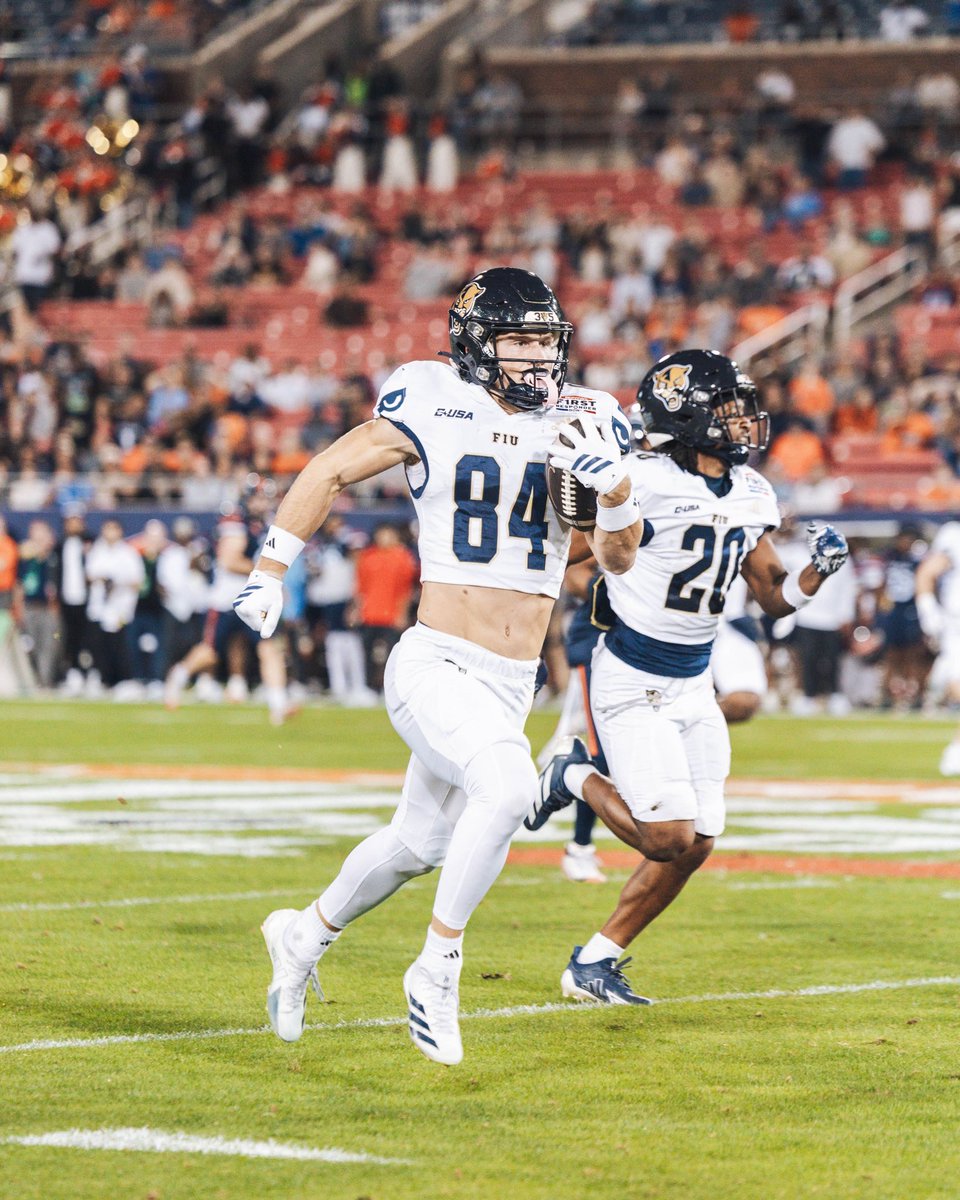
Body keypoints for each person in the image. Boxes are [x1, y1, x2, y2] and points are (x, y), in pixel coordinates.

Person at [232, 267, 636, 1064]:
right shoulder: (430, 396)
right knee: (512, 785)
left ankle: (302, 935)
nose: (537, 361)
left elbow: (619, 557)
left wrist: (614, 490)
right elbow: (331, 468)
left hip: (510, 679)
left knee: (420, 843)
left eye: (545, 343)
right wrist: (272, 567)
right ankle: (437, 966)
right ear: (477, 345)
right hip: (436, 661)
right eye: (519, 342)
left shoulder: (588, 415)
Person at [528, 350, 849, 1004]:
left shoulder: (753, 490)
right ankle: (571, 774)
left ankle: (595, 960)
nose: (741, 423)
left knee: (700, 839)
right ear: (688, 418)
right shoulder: (641, 478)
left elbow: (772, 595)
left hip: (693, 681)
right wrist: (594, 507)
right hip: (633, 674)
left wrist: (815, 573)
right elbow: (575, 555)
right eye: (726, 411)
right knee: (667, 836)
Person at [915, 522, 960, 774]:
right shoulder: (954, 534)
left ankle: (956, 750)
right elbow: (927, 572)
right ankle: (955, 752)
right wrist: (927, 607)